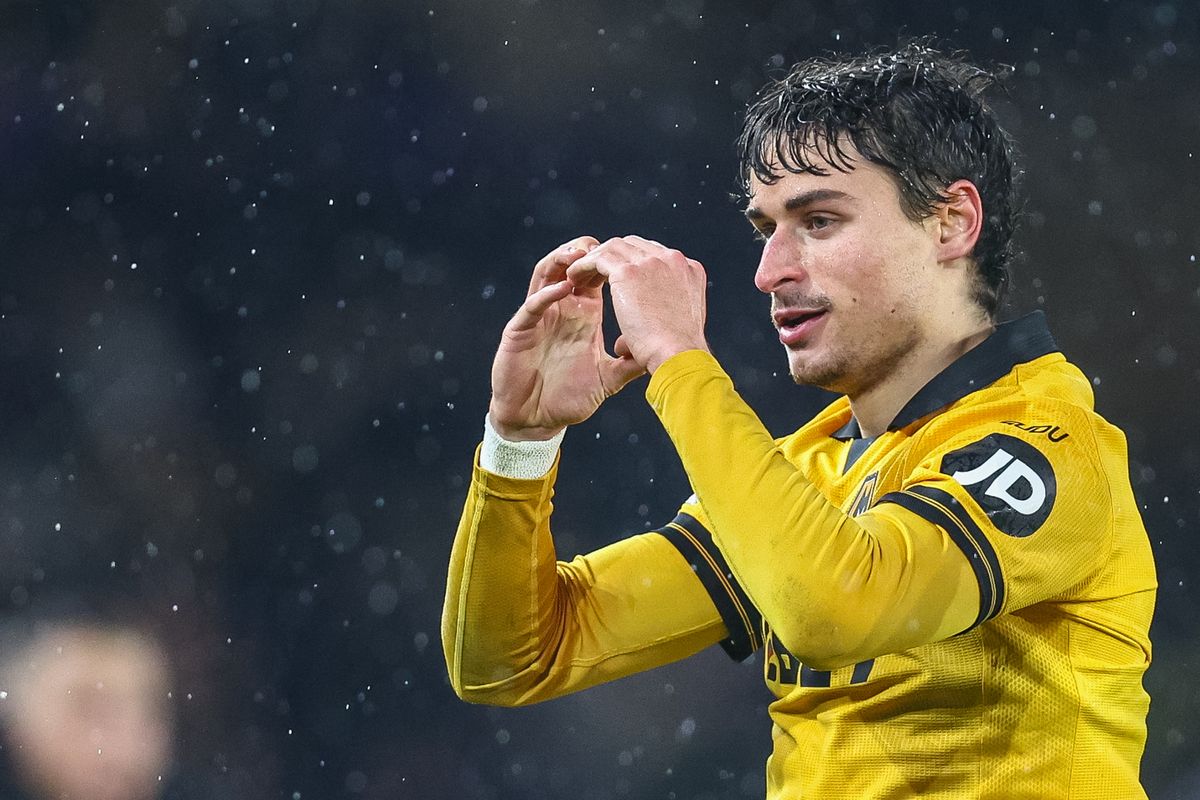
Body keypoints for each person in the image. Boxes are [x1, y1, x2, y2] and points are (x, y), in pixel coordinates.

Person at [442, 42, 1156, 798]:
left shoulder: (1050, 443)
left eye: (819, 220)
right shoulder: (806, 473)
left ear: (951, 224)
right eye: (766, 230)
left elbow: (834, 609)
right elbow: (510, 660)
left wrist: (679, 359)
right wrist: (520, 443)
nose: (769, 272)